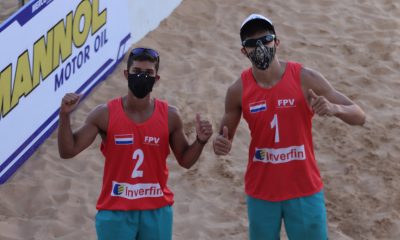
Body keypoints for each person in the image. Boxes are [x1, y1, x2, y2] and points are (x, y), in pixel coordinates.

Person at [213, 14, 366, 240]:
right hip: (261, 192)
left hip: (304, 189)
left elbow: (360, 116)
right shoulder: (237, 91)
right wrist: (219, 144)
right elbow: (223, 143)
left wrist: (335, 109)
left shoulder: (305, 78)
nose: (260, 47)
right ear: (243, 51)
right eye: (252, 44)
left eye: (265, 39)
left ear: (277, 41)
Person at [58, 47, 213, 240]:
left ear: (156, 79)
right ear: (126, 75)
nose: (142, 76)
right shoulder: (104, 114)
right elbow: (68, 151)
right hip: (116, 210)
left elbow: (185, 161)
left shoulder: (170, 116)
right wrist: (64, 115)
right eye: (136, 71)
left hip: (156, 209)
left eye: (148, 73)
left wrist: (200, 141)